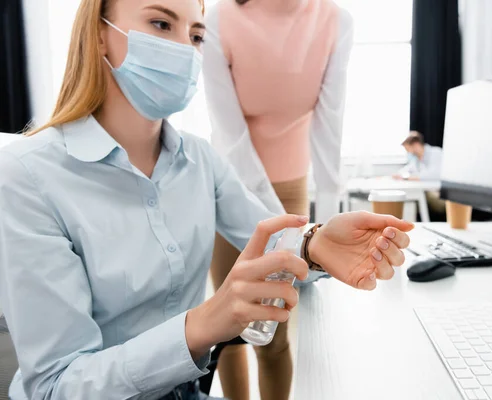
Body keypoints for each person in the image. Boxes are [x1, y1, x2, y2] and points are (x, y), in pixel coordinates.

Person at [0, 1, 413, 399]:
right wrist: (202, 324)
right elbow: (54, 388)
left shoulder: (199, 158)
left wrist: (315, 242)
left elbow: (265, 230)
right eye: (161, 24)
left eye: (196, 35)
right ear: (100, 34)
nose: (183, 48)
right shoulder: (27, 173)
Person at [202, 0, 353, 398]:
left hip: (290, 190)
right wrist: (282, 224)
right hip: (227, 185)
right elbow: (229, 132)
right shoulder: (219, 18)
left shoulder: (336, 21)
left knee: (273, 333)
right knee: (230, 325)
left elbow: (329, 127)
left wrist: (327, 229)